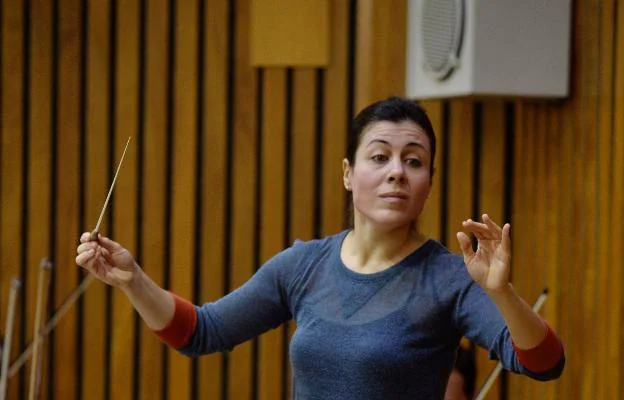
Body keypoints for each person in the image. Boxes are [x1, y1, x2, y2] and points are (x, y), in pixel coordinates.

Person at [76, 97, 565, 399]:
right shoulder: (303, 264)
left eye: (414, 161)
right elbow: (201, 332)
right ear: (348, 174)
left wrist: (502, 293)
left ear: (429, 184)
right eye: (380, 157)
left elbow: (544, 364)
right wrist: (133, 278)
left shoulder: (449, 276)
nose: (397, 171)